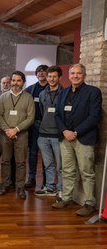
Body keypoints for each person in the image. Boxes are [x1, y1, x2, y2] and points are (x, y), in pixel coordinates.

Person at [53, 64, 102, 217]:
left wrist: (76, 132)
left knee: (87, 172)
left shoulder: (93, 92)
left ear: (84, 75)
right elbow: (57, 115)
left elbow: (94, 116)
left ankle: (89, 203)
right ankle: (66, 198)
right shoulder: (63, 92)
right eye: (72, 73)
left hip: (84, 138)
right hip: (65, 138)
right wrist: (64, 131)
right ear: (68, 75)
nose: (75, 76)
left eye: (78, 73)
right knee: (67, 170)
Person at [0, 71, 35, 200]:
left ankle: (20, 187)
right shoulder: (3, 97)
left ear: (23, 82)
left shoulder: (28, 98)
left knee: (20, 162)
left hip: (22, 134)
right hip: (5, 134)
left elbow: (31, 117)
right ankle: (5, 184)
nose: (15, 83)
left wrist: (16, 129)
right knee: (5, 161)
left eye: (19, 80)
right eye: (13, 80)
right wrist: (8, 129)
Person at [35, 66, 63, 197]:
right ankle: (50, 188)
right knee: (48, 164)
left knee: (60, 166)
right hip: (43, 134)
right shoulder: (42, 94)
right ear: (46, 77)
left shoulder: (65, 93)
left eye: (54, 76)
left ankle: (61, 189)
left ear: (60, 78)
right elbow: (42, 111)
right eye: (49, 76)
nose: (51, 79)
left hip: (58, 135)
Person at [24, 64, 49, 189]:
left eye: (44, 71)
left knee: (46, 154)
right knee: (33, 153)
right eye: (39, 71)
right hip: (33, 125)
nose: (41, 73)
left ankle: (46, 180)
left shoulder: (53, 89)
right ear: (36, 74)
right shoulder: (30, 89)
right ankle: (31, 178)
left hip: (48, 126)